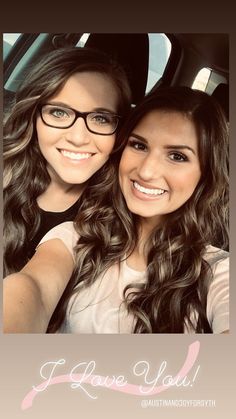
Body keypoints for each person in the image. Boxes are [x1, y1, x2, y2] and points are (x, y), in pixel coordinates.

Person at [3, 86, 229, 334]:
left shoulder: (219, 271)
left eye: (177, 156)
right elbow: (31, 287)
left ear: (205, 173)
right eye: (139, 146)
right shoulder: (75, 237)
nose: (146, 172)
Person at [3, 46, 132, 275]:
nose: (78, 138)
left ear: (118, 130)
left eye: (101, 118)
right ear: (33, 116)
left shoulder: (123, 217)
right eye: (59, 113)